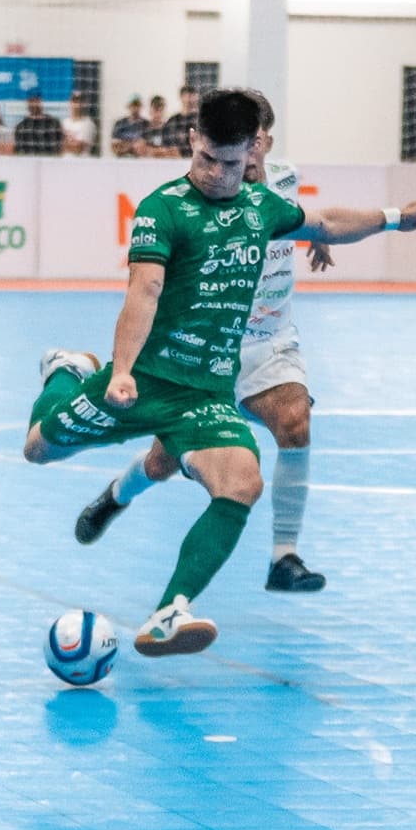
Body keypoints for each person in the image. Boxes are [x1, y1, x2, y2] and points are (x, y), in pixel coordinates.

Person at [22, 89, 416, 657]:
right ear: (194, 141)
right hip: (144, 380)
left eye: (234, 163)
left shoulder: (262, 206)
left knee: (242, 481)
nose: (219, 174)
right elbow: (143, 290)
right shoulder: (162, 207)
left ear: (254, 151)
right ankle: (67, 371)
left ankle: (171, 610)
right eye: (209, 160)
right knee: (38, 449)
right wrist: (119, 371)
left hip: (208, 393)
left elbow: (326, 222)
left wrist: (396, 219)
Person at [77, 89, 337, 595]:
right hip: (201, 347)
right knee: (162, 461)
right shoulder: (191, 195)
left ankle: (285, 555)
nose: (250, 150)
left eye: (257, 140)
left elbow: (303, 216)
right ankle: (115, 495)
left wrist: (323, 234)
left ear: (264, 141)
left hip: (268, 342)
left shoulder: (281, 180)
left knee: (295, 421)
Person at [13, 90, 63, 155]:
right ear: (27, 103)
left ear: (40, 101)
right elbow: (18, 150)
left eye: (36, 100)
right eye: (31, 101)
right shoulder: (21, 127)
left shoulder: (53, 123)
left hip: (50, 162)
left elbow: (61, 146)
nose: (34, 104)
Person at [163, 84, 198, 157]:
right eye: (187, 96)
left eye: (192, 96)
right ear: (181, 97)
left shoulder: (201, 120)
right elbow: (165, 144)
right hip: (174, 162)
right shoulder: (172, 121)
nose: (189, 100)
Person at [61, 90, 97, 156]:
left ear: (84, 104)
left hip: (81, 164)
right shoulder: (64, 122)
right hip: (64, 163)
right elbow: (58, 146)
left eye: (80, 101)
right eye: (74, 100)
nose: (77, 104)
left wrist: (64, 144)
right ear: (70, 103)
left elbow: (79, 148)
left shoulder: (88, 124)